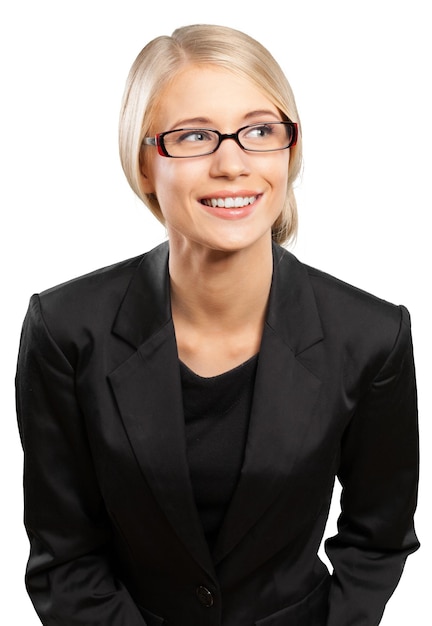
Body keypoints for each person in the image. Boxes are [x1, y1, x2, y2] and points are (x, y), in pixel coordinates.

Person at [16, 23, 419, 626]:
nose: (233, 164)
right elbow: (64, 558)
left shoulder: (372, 337)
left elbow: (377, 542)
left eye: (260, 131)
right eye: (196, 136)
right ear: (145, 162)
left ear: (289, 150)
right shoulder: (65, 331)